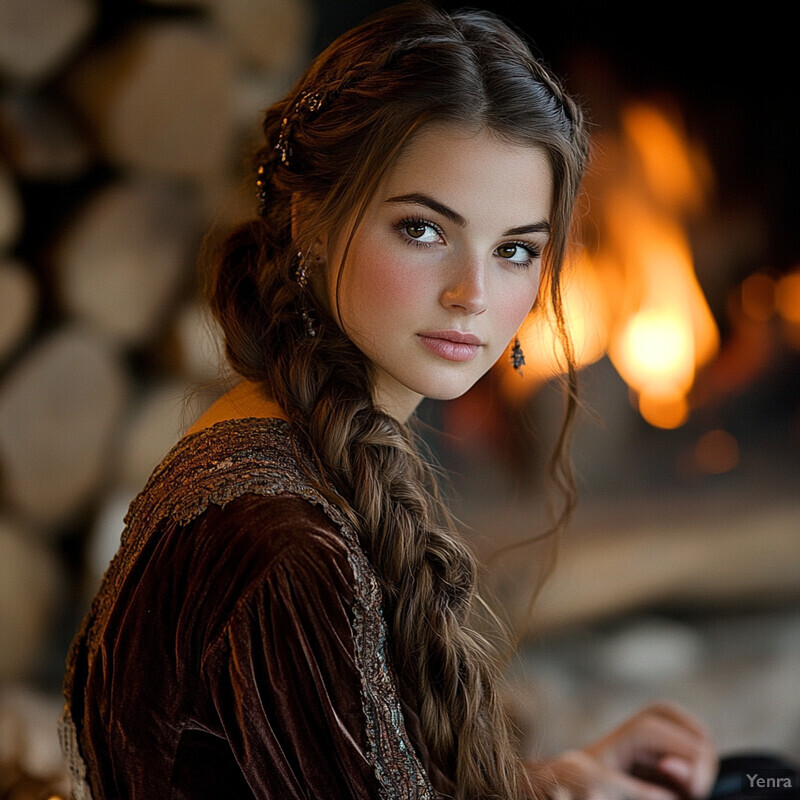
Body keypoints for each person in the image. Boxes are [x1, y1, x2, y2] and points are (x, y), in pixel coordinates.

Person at [59, 2, 720, 798]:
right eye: (423, 230)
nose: (473, 294)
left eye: (515, 250)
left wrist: (557, 784)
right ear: (312, 223)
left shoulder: (281, 440)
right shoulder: (288, 546)